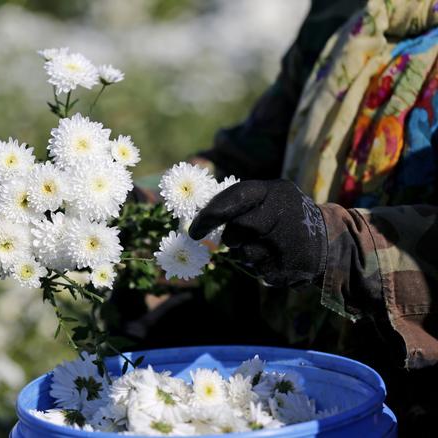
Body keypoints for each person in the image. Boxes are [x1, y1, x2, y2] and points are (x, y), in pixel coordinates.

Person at [111, 0, 438, 435]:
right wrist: (132, 206)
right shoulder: (344, 12)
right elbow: (253, 154)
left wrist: (331, 243)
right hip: (291, 364)